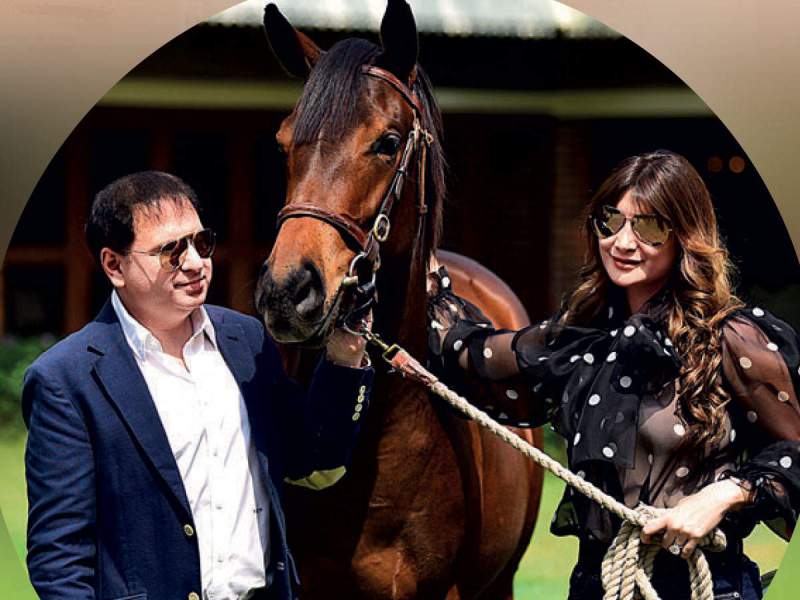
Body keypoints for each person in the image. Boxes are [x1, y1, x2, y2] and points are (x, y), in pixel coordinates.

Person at [427, 150, 800, 599]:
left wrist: (723, 495)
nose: (622, 242)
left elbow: (794, 451)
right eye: (610, 221)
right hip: (598, 587)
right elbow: (474, 354)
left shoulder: (732, 338)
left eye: (649, 227)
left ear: (685, 237)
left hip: (701, 586)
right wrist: (424, 279)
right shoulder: (583, 338)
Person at [23, 171, 374, 600]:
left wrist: (345, 354)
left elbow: (312, 462)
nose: (195, 263)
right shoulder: (65, 378)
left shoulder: (246, 340)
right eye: (171, 251)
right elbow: (59, 555)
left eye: (201, 243)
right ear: (114, 265)